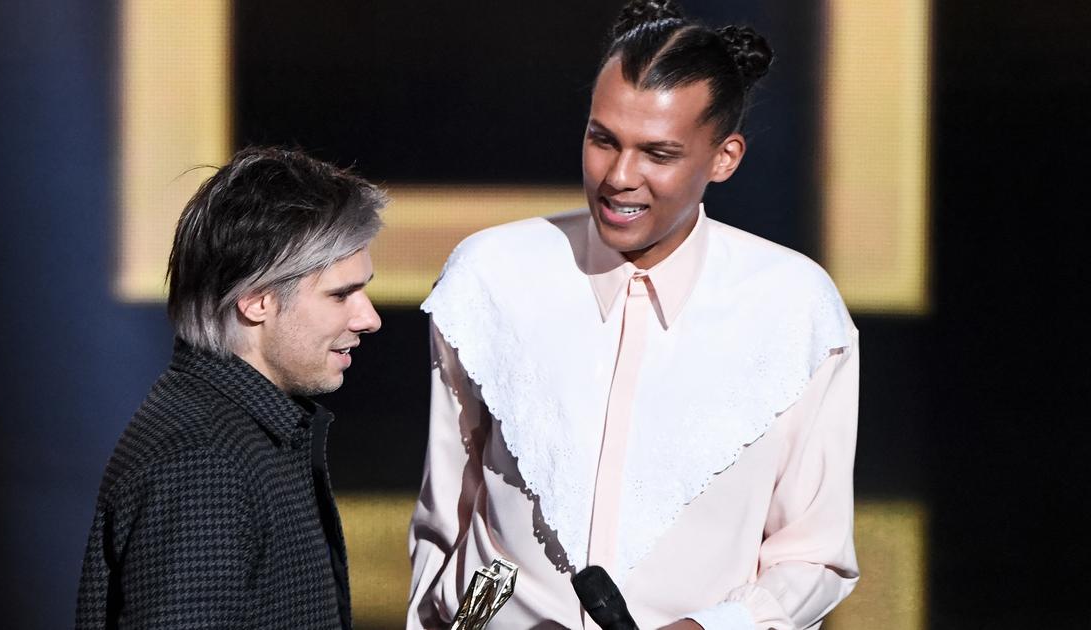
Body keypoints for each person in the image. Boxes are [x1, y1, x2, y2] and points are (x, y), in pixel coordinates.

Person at [407, 2, 859, 629]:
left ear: (724, 158)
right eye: (603, 140)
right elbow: (442, 522)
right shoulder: (492, 276)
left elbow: (815, 556)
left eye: (659, 153)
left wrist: (708, 629)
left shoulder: (795, 308)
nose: (619, 177)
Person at [76, 146, 385, 629]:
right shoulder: (204, 462)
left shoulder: (245, 436)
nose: (369, 319)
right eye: (341, 294)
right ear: (256, 301)